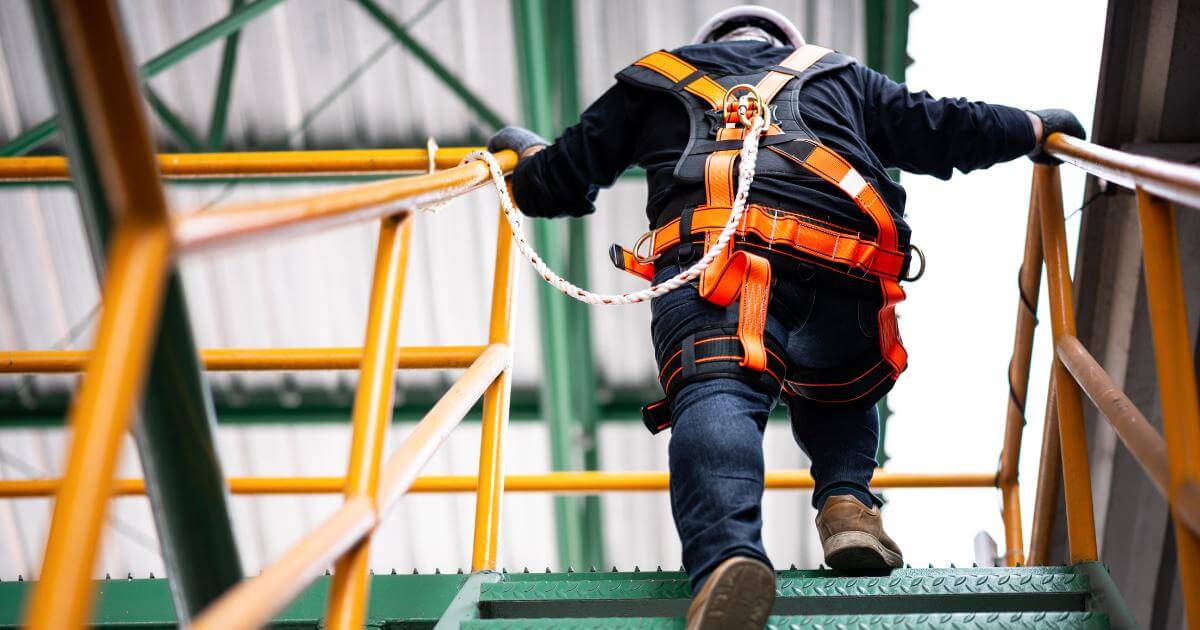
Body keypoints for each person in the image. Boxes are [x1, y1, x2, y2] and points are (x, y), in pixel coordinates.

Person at [488, 6, 1085, 629]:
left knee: (717, 388)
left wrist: (523, 152)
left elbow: (555, 181)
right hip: (845, 260)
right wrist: (1034, 127)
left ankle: (727, 560)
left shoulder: (651, 81)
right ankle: (849, 507)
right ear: (787, 45)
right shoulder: (839, 75)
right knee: (840, 385)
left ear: (707, 47)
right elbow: (940, 126)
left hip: (719, 259)